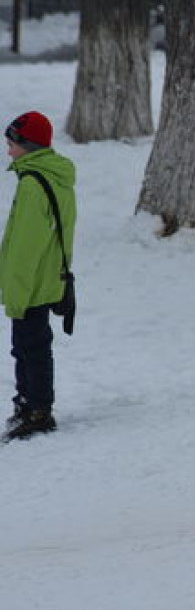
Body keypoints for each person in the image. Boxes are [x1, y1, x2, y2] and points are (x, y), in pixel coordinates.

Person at [0, 111, 77, 442]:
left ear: (27, 146)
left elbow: (25, 248)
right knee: (32, 346)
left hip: (30, 283)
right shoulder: (54, 177)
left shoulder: (33, 184)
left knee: (30, 348)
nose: (7, 151)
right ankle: (29, 405)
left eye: (11, 144)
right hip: (47, 278)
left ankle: (38, 411)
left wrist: (15, 293)